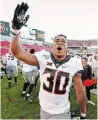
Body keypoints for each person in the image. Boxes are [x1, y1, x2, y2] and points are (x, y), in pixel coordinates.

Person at [10, 2, 86, 119]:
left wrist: (83, 114)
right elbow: (18, 53)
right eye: (56, 41)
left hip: (62, 112)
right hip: (44, 109)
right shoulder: (42, 57)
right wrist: (15, 31)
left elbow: (80, 92)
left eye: (63, 41)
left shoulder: (75, 63)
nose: (59, 42)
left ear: (67, 47)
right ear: (52, 46)